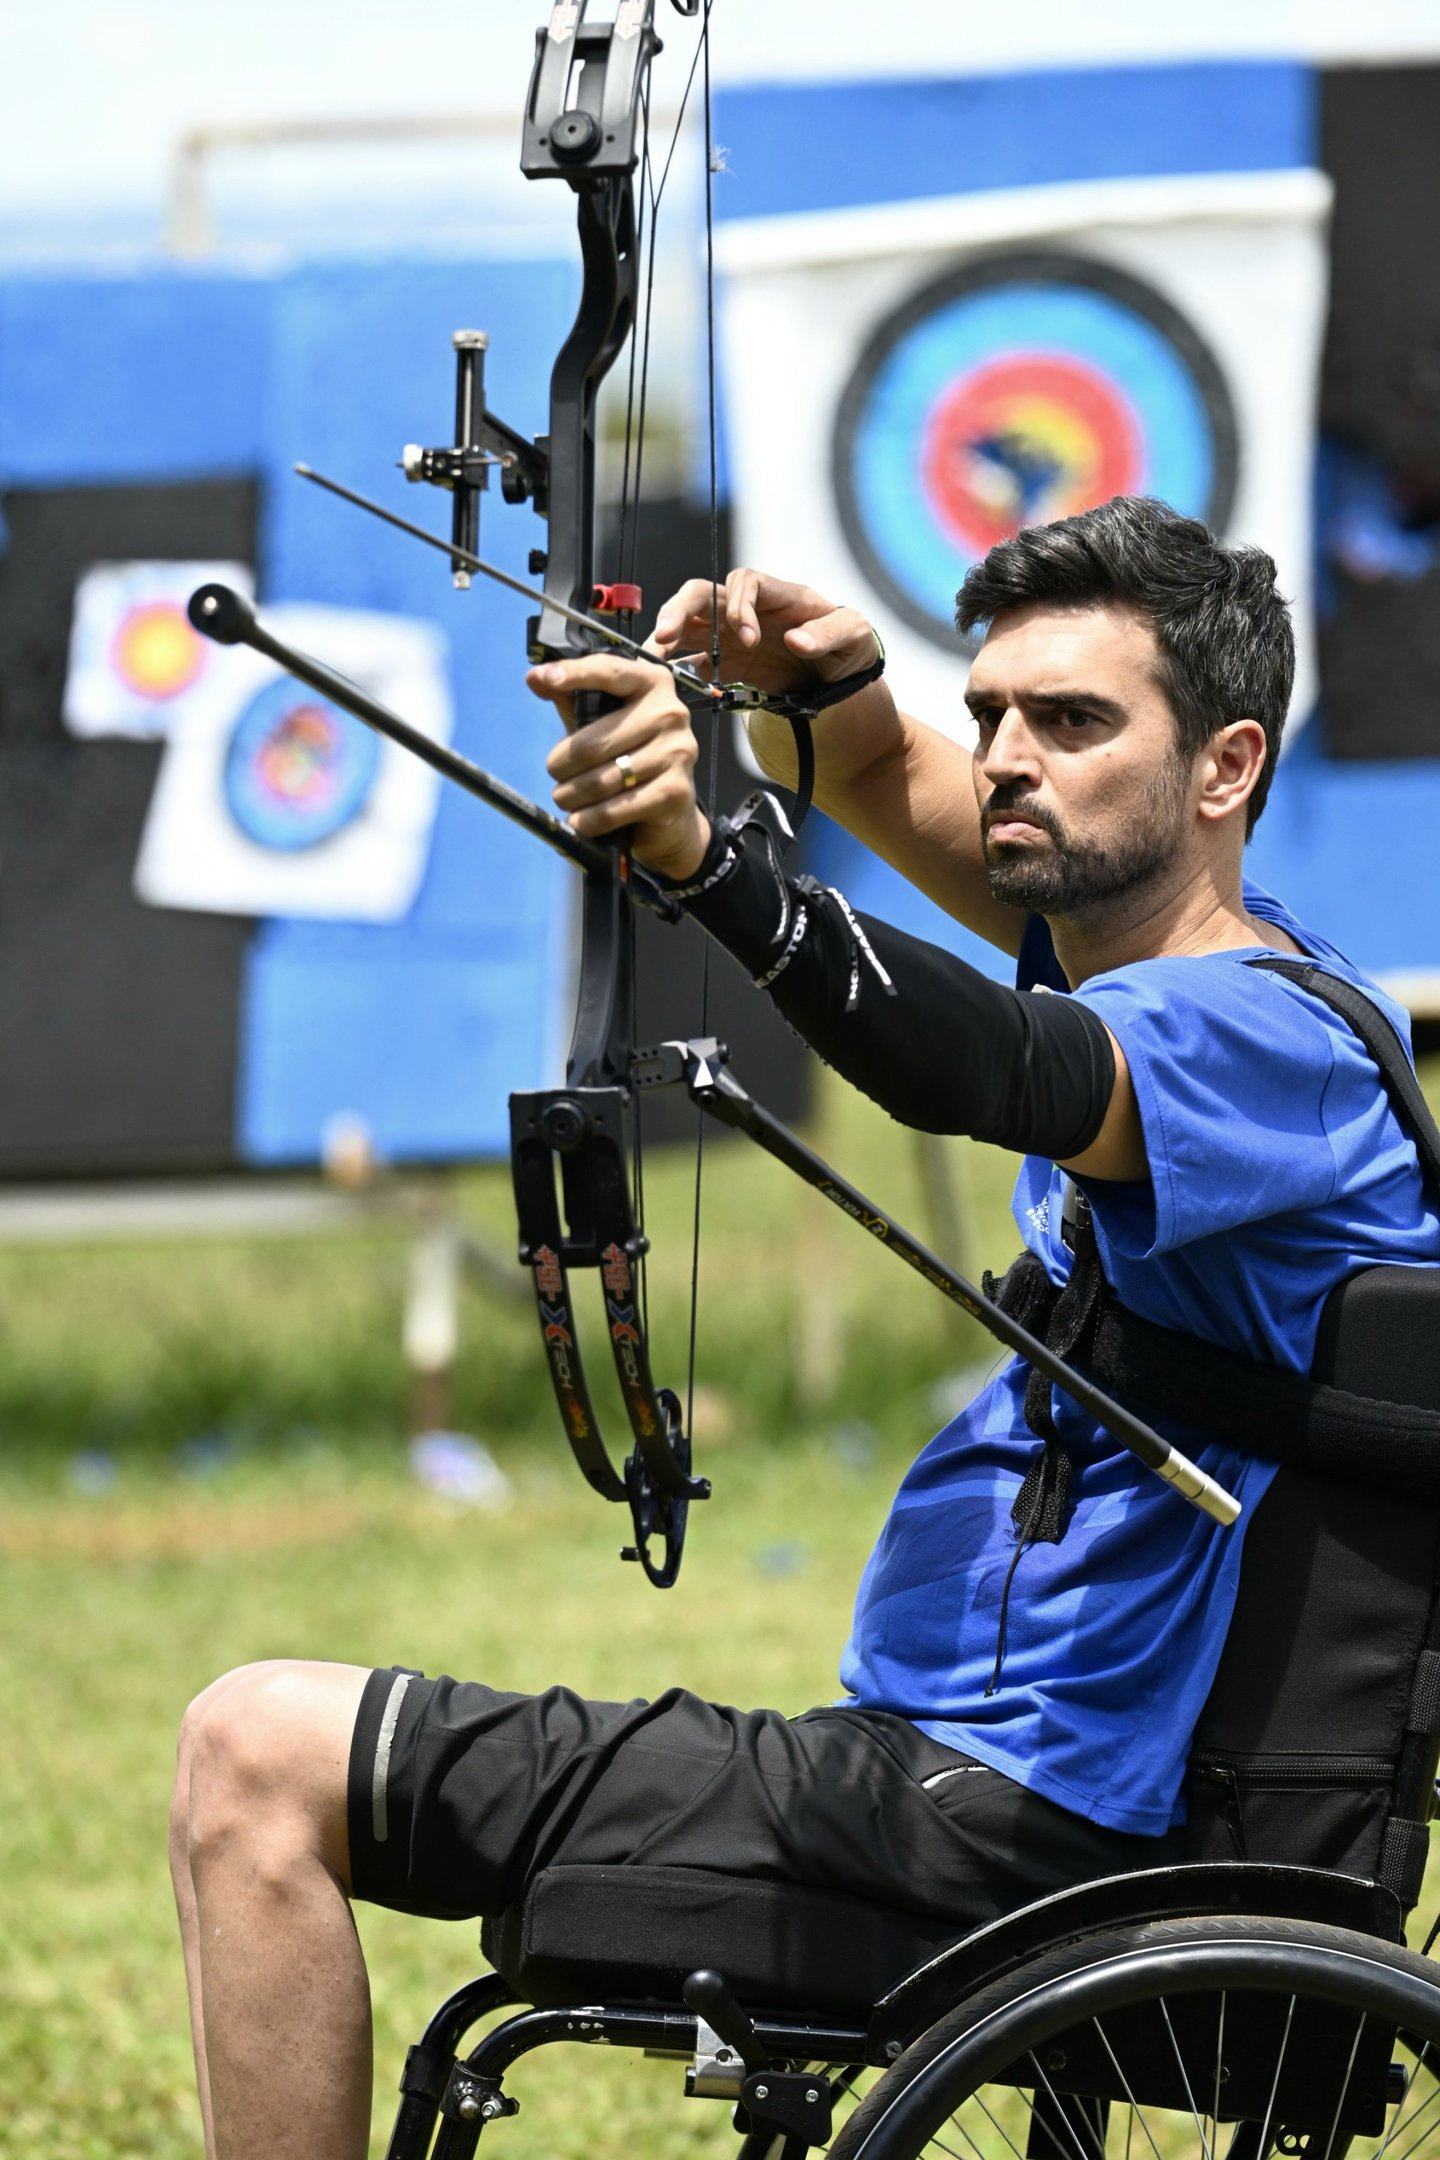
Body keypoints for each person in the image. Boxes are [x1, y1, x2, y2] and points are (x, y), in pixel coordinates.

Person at [170, 497, 1440, 2160]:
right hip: (982, 1774)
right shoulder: (1188, 949)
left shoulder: (1251, 1042)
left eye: (1072, 722)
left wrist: (713, 865)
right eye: (990, 711)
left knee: (256, 1752)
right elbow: (894, 796)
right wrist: (836, 692)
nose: (1002, 756)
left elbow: (1005, 1072)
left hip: (1026, 1819)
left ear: (1225, 768)